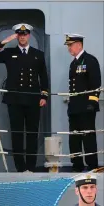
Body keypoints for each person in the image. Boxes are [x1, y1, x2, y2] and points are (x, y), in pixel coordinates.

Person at [0, 23, 49, 172]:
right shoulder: (9, 52)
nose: (22, 37)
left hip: (33, 100)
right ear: (17, 36)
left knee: (33, 134)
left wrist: (44, 95)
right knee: (17, 134)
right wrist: (3, 42)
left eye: (25, 34)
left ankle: (31, 167)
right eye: (20, 35)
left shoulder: (37, 54)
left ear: (29, 36)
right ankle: (20, 168)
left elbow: (43, 76)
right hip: (14, 100)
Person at [64, 33, 101, 172]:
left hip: (86, 106)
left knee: (88, 137)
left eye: (70, 45)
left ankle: (92, 166)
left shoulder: (90, 60)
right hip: (74, 107)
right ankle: (77, 165)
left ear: (79, 44)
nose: (69, 48)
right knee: (74, 138)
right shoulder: (73, 63)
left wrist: (92, 102)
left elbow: (96, 84)